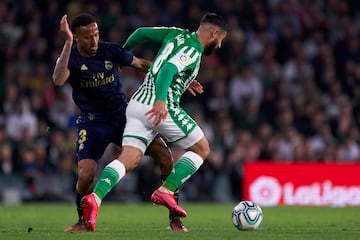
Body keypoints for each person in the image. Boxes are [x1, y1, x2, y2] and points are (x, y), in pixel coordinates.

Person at [52, 13, 199, 232]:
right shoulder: (71, 57)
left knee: (164, 154)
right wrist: (67, 43)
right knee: (85, 175)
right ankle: (82, 221)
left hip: (122, 117)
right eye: (87, 37)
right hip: (92, 123)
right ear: (76, 37)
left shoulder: (109, 50)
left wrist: (178, 77)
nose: (94, 41)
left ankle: (175, 218)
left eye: (96, 34)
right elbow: (58, 79)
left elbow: (141, 64)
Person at [81, 13, 228, 232]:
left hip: (137, 104)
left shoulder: (176, 34)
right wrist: (160, 100)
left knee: (128, 159)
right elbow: (168, 69)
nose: (220, 44)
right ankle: (166, 190)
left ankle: (95, 197)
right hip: (159, 106)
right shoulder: (193, 49)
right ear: (214, 34)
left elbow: (140, 33)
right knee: (202, 148)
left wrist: (125, 54)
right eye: (221, 40)